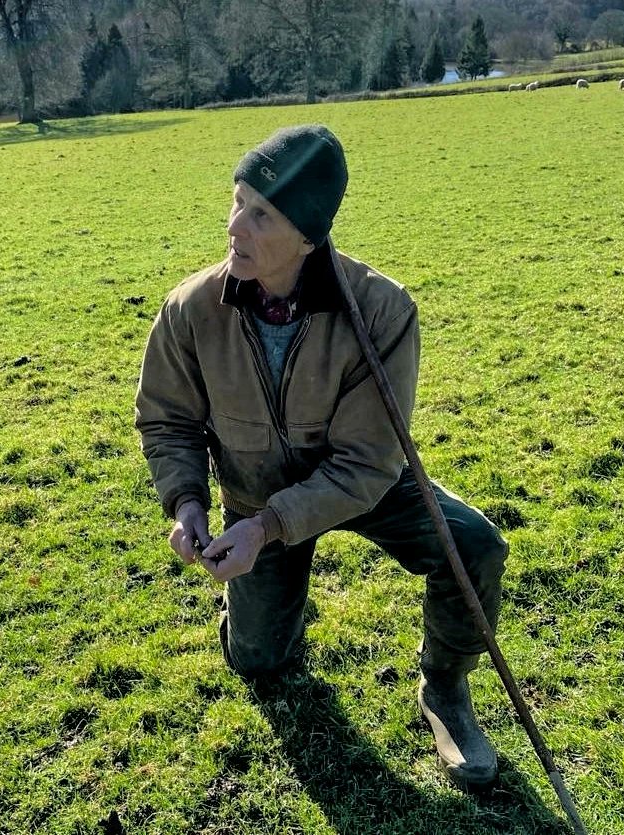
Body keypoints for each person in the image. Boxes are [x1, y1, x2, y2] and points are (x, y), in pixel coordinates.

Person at [135, 124, 508, 792]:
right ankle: (264, 613)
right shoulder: (191, 309)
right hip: (252, 491)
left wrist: (269, 527)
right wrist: (188, 500)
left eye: (260, 213)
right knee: (257, 662)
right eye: (236, 200)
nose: (234, 226)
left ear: (307, 236)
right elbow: (168, 419)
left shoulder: (383, 311)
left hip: (364, 485)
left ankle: (445, 687)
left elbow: (367, 463)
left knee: (475, 545)